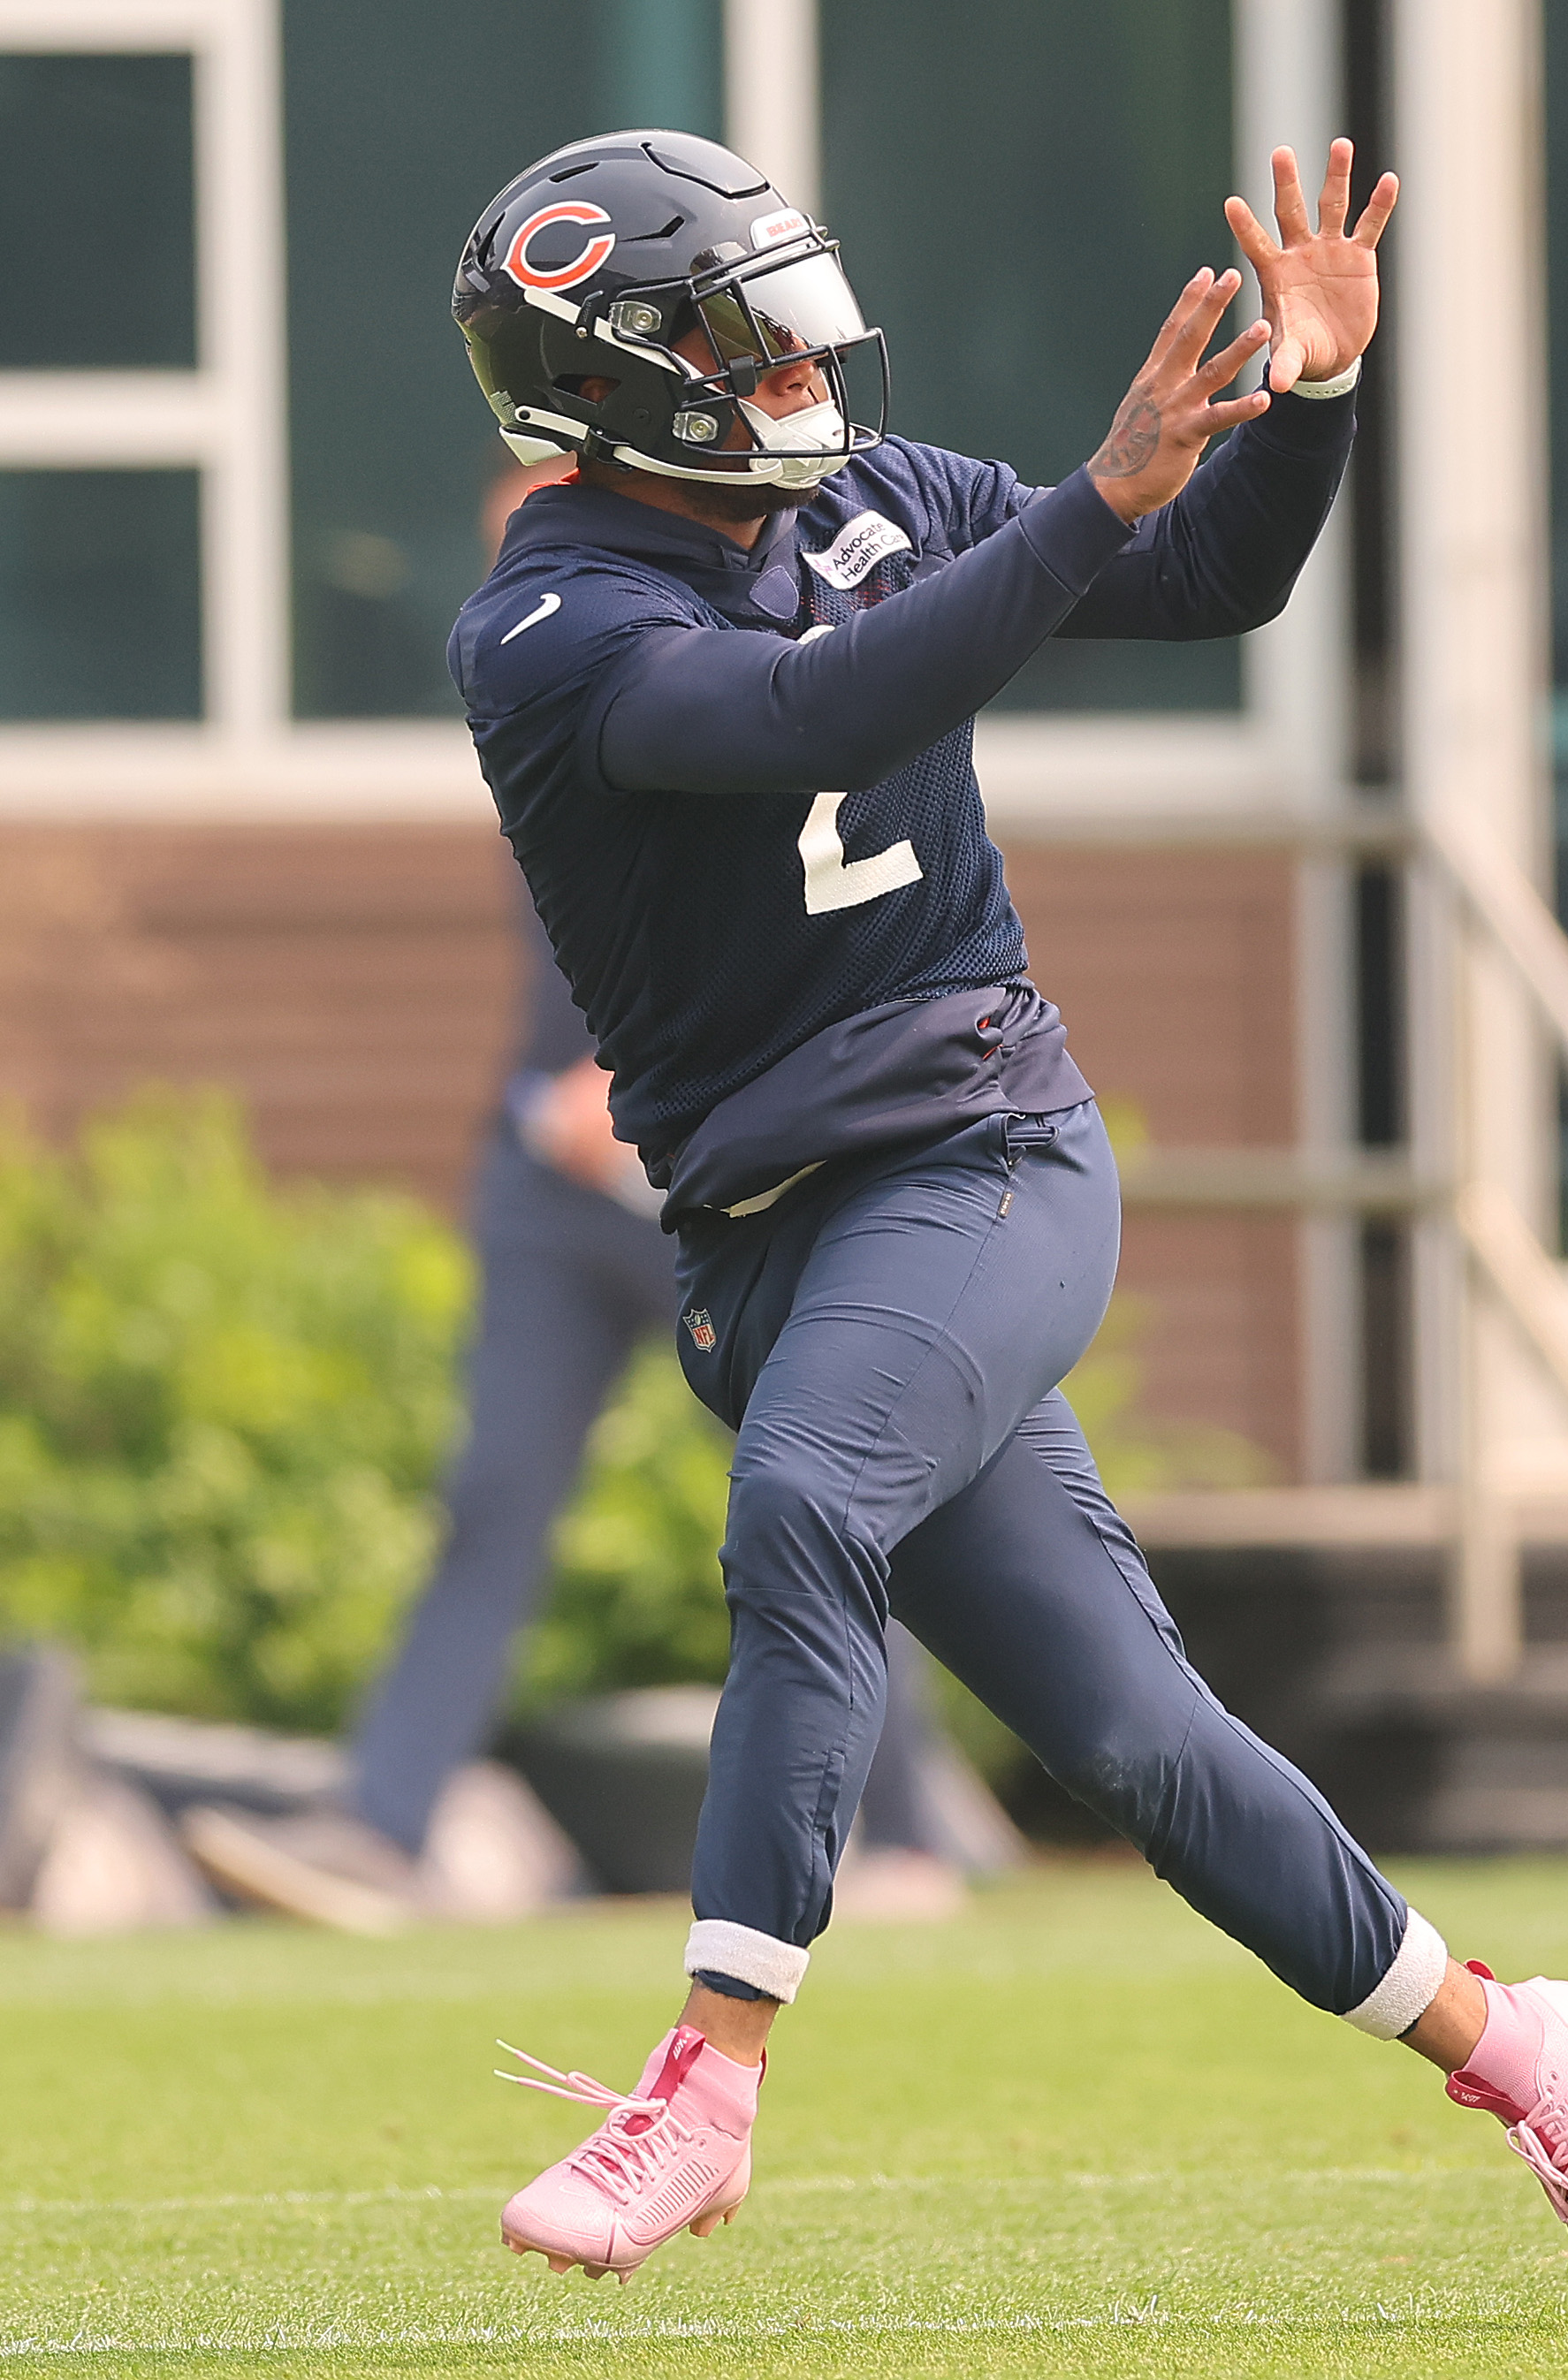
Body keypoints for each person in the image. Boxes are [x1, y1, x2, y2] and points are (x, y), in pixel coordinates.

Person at [444, 130, 1568, 2303]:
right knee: (1139, 1747)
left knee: (805, 1512)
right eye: (731, 339)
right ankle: (1522, 2049)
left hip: (982, 1157)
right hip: (763, 1232)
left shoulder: (876, 491)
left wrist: (1308, 399)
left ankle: (706, 2089)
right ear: (614, 380)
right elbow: (825, 703)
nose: (786, 370)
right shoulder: (552, 621)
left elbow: (1212, 577)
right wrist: (1088, 501)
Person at [182, 460, 979, 1935]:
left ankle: (922, 1827)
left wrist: (667, 1093)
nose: (529, 589)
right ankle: (380, 1827)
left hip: (720, 1171)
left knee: (821, 1486)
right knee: (493, 1501)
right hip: (556, 1191)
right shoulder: (531, 698)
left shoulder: (738, 691)